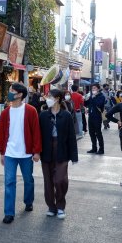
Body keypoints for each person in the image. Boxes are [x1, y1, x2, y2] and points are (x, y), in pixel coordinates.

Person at [0, 82, 41, 224]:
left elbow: (36, 132)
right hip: (10, 153)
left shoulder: (30, 110)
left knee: (28, 180)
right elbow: (2, 133)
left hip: (26, 153)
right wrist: (2, 152)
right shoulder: (5, 112)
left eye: (12, 90)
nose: (9, 93)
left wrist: (36, 151)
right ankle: (9, 213)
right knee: (9, 182)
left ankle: (28, 201)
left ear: (20, 94)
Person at [39, 89, 78, 219]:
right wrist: (36, 152)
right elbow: (38, 135)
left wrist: (74, 156)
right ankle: (51, 206)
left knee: (60, 179)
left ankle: (60, 205)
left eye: (49, 96)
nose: (47, 98)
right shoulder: (43, 115)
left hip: (62, 150)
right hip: (46, 151)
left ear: (57, 99)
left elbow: (72, 136)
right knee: (48, 180)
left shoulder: (66, 115)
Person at [84, 84, 106, 154]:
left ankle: (101, 149)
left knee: (98, 133)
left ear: (98, 89)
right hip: (91, 116)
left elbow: (99, 104)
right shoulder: (91, 96)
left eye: (95, 88)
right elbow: (86, 104)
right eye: (92, 88)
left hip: (97, 117)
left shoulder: (101, 96)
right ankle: (94, 148)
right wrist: (85, 99)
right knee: (91, 133)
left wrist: (94, 97)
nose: (93, 89)